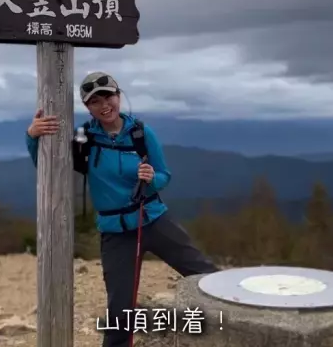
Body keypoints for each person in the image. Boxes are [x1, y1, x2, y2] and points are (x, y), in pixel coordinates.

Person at [26, 71, 219, 347]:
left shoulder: (141, 133)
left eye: (108, 96)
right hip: (116, 232)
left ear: (119, 96)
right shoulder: (84, 138)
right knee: (120, 310)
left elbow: (165, 176)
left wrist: (152, 179)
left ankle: (240, 327)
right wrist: (32, 136)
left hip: (153, 219)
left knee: (205, 276)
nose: (104, 105)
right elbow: (49, 167)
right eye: (95, 101)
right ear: (87, 107)